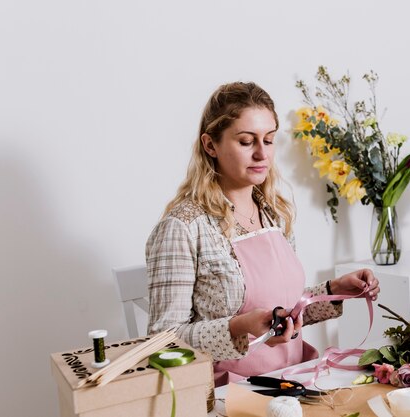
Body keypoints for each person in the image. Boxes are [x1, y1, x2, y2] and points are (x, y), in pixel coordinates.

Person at [146, 81, 380, 386]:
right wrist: (238, 327)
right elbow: (164, 342)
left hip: (293, 380)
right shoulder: (183, 227)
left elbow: (285, 315)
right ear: (210, 145)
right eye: (246, 141)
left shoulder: (273, 213)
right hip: (227, 394)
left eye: (268, 140)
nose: (261, 154)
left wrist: (335, 290)